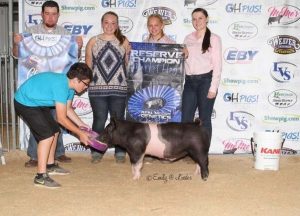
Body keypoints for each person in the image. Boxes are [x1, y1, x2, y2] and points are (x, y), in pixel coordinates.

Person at [13, 0, 83, 166]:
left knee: (57, 120)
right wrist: (16, 44)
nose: (50, 17)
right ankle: (34, 156)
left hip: (57, 88)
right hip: (38, 89)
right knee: (38, 123)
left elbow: (75, 59)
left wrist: (78, 47)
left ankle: (58, 153)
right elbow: (17, 56)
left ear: (58, 15)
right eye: (47, 13)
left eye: (54, 13)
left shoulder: (66, 34)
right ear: (42, 14)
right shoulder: (30, 33)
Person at [14, 62, 93, 188]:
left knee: (55, 131)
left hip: (37, 103)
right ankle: (40, 177)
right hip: (25, 102)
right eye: (86, 84)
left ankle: (50, 166)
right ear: (77, 80)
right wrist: (79, 133)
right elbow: (61, 118)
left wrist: (82, 125)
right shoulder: (61, 86)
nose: (86, 87)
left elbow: (67, 110)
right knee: (47, 136)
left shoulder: (70, 88)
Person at [85, 11, 131, 164]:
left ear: (117, 25)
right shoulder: (93, 41)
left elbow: (128, 65)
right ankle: (97, 150)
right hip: (97, 89)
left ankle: (120, 151)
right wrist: (86, 82)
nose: (109, 26)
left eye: (113, 23)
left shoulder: (124, 41)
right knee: (99, 120)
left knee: (118, 121)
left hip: (119, 88)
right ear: (102, 23)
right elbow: (88, 66)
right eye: (106, 22)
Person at [182, 8, 222, 143]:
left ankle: (203, 154)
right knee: (186, 118)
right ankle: (187, 150)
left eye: (200, 18)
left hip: (206, 81)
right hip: (189, 82)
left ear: (207, 19)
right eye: (194, 19)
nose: (197, 21)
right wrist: (183, 56)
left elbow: (217, 65)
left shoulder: (214, 39)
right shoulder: (188, 38)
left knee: (204, 119)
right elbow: (185, 60)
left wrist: (213, 87)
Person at [142, 14, 176, 163]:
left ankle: (165, 153)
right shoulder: (142, 44)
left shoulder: (171, 44)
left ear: (162, 25)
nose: (153, 28)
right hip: (148, 89)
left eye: (156, 25)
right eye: (150, 25)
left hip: (164, 89)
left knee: (164, 122)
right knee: (149, 121)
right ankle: (149, 153)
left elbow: (176, 69)